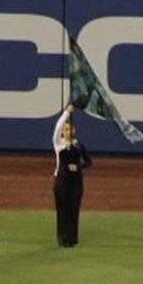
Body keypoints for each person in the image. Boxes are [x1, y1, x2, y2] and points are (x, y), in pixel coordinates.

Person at [52, 104, 91, 248]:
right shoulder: (58, 145)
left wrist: (79, 167)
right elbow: (57, 128)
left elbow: (89, 162)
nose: (67, 131)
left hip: (76, 182)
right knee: (62, 210)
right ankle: (62, 238)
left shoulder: (79, 146)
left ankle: (73, 239)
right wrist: (66, 113)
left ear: (74, 131)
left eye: (69, 129)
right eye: (65, 130)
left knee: (74, 209)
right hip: (62, 181)